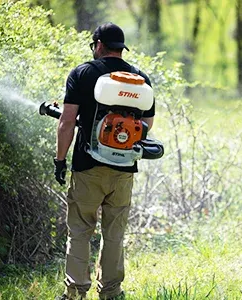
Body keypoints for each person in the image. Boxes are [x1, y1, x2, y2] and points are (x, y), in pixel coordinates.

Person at [54, 22, 155, 300]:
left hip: (88, 167)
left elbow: (66, 123)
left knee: (80, 229)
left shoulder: (83, 73)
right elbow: (147, 123)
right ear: (121, 49)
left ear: (98, 45)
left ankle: (75, 292)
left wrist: (60, 160)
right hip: (124, 170)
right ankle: (111, 292)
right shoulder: (140, 79)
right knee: (114, 233)